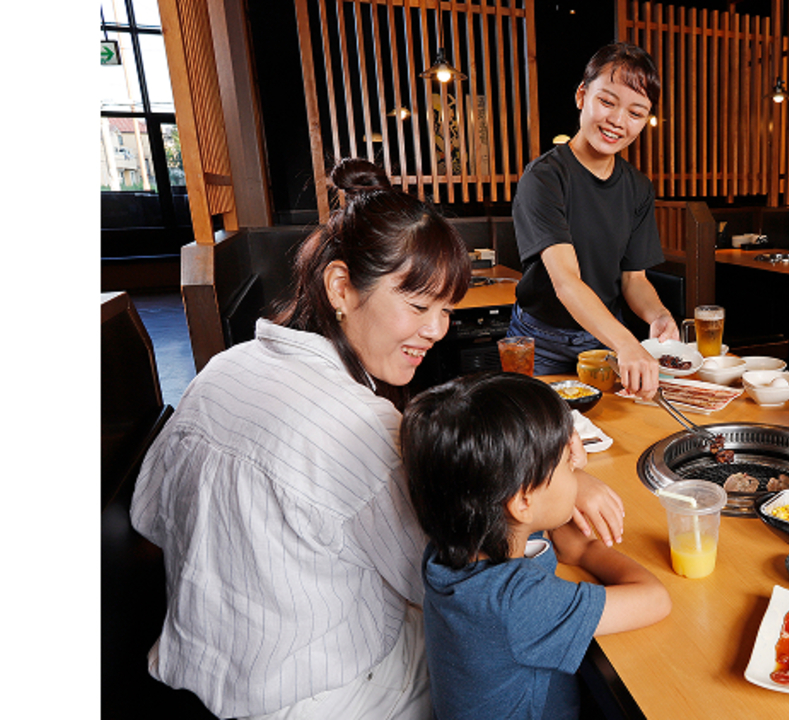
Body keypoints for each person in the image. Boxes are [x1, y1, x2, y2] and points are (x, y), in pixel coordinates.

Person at [129, 158, 624, 720]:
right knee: (542, 667)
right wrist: (554, 479)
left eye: (444, 309)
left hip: (189, 677)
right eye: (417, 306)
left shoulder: (222, 368)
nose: (437, 330)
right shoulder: (366, 429)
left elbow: (150, 516)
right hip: (320, 697)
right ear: (341, 285)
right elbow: (456, 578)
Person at [402, 372, 672, 720]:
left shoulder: (450, 547)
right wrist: (587, 551)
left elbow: (533, 527)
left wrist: (563, 485)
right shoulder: (517, 604)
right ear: (521, 503)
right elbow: (654, 599)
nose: (577, 466)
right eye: (566, 463)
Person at [509, 41, 677, 398]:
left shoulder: (638, 187)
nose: (618, 122)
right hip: (544, 342)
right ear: (582, 96)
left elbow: (634, 280)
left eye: (636, 112)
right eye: (607, 101)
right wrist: (628, 343)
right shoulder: (544, 178)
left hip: (602, 344)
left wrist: (658, 314)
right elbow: (566, 281)